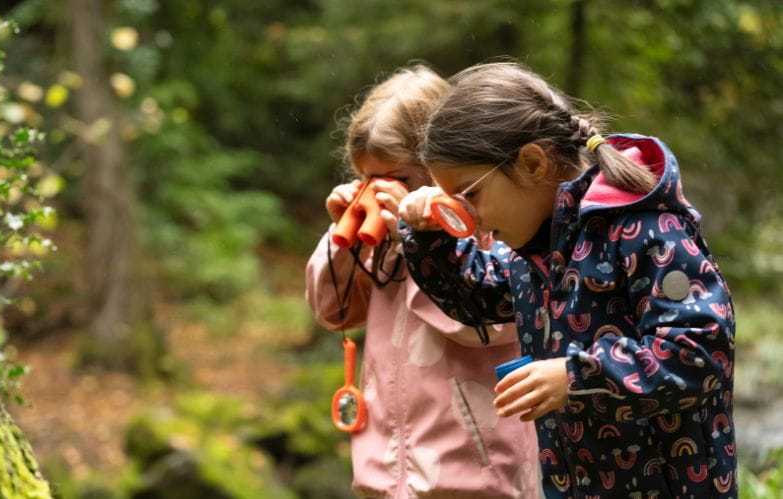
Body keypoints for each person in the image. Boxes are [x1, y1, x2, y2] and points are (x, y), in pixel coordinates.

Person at [397, 62, 737, 498]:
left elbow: (700, 351)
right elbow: (474, 297)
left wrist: (575, 378)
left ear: (533, 164)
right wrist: (430, 237)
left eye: (469, 195)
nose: (470, 219)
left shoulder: (646, 229)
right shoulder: (533, 252)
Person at [306, 65, 539, 498]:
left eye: (396, 179)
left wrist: (419, 243)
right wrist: (343, 240)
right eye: (366, 179)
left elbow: (481, 326)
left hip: (473, 473)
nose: (379, 193)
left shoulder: (491, 228)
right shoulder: (379, 235)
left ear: (439, 168)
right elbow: (332, 310)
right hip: (385, 470)